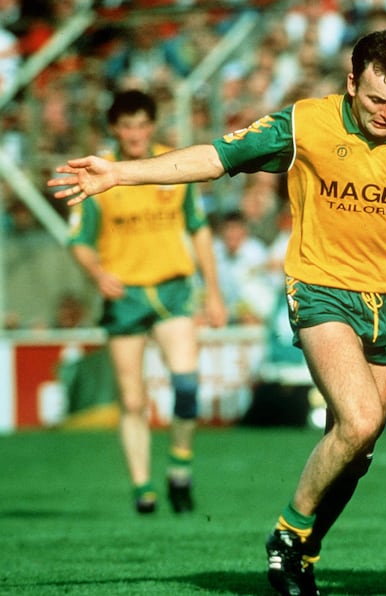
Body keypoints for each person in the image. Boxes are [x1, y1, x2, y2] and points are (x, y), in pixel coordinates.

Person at [49, 30, 386, 596]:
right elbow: (217, 157)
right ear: (351, 84)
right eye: (374, 101)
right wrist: (123, 173)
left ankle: (305, 550)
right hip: (321, 292)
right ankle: (286, 534)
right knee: (361, 418)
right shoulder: (304, 124)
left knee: (357, 449)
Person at [62, 89, 227, 515]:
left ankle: (180, 466)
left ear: (151, 126)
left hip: (172, 288)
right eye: (126, 126)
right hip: (127, 295)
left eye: (142, 124)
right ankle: (142, 487)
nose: (135, 134)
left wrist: (214, 291)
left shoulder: (169, 166)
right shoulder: (100, 173)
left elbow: (199, 229)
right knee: (133, 400)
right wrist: (98, 273)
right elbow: (78, 240)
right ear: (115, 129)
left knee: (187, 385)